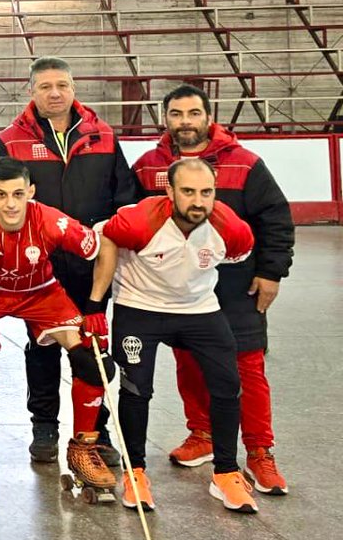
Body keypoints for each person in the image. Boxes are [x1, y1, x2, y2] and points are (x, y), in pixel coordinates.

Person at [132, 84, 295, 494]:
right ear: (164, 119)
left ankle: (259, 451)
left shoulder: (244, 163)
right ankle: (202, 434)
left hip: (235, 288)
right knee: (189, 364)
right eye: (176, 114)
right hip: (178, 290)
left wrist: (272, 272)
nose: (185, 121)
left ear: (208, 116)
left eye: (192, 113)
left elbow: (276, 218)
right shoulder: (149, 166)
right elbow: (132, 222)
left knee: (247, 369)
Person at [0, 157, 115, 503]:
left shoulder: (49, 219)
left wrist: (93, 305)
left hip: (40, 294)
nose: (11, 204)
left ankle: (83, 450)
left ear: (31, 191)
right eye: (1, 195)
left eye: (18, 194)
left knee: (95, 362)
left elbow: (104, 244)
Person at [0, 55, 137, 466]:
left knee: (91, 344)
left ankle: (95, 429)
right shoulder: (11, 140)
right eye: (45, 87)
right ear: (31, 91)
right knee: (42, 346)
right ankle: (44, 424)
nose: (54, 93)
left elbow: (124, 197)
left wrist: (114, 243)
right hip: (39, 265)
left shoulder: (102, 135)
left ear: (73, 88)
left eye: (62, 85)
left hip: (93, 263)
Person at [90, 158, 258, 513]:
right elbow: (107, 238)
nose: (198, 201)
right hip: (140, 306)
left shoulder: (233, 230)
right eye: (188, 192)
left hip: (198, 309)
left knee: (228, 385)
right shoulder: (139, 221)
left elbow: (237, 258)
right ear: (169, 191)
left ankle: (226, 473)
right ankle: (135, 472)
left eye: (206, 192)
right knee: (137, 389)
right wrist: (95, 304)